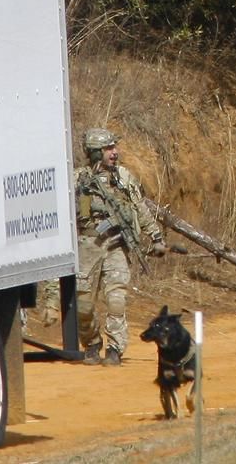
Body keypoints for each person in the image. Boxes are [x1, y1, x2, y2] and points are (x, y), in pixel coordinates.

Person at [74, 127, 167, 366]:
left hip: (117, 244)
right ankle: (92, 343)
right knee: (83, 305)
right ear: (95, 153)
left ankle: (115, 348)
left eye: (114, 147)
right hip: (88, 244)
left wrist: (156, 236)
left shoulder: (123, 177)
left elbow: (140, 208)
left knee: (116, 300)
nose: (114, 153)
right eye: (108, 149)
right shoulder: (77, 179)